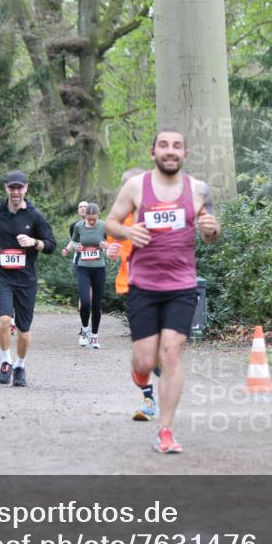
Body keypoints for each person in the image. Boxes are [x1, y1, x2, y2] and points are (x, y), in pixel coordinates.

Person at [105, 129, 221, 453]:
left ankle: (166, 431)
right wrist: (129, 232)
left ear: (186, 153)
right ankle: (140, 374)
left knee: (171, 353)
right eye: (164, 145)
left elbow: (212, 232)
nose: (170, 151)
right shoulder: (136, 186)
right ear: (152, 152)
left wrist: (211, 231)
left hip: (182, 286)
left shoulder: (199, 190)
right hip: (143, 286)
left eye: (177, 146)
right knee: (145, 361)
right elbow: (110, 222)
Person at [0, 170, 55, 386]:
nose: (15, 192)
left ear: (26, 188)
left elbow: (51, 244)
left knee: (23, 331)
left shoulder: (34, 216)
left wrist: (34, 242)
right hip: (0, 274)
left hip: (26, 279)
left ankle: (20, 366)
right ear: (6, 188)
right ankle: (6, 362)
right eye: (12, 188)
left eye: (19, 188)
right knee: (4, 319)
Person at [106, 167, 159, 419]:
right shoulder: (117, 221)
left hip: (162, 286)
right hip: (133, 287)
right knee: (142, 353)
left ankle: (159, 361)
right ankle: (149, 400)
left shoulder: (159, 214)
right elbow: (112, 249)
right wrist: (111, 252)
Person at [62, 203, 109, 349]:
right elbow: (73, 241)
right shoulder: (78, 226)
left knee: (96, 304)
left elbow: (110, 243)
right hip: (83, 268)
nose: (92, 221)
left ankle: (94, 336)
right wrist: (76, 247)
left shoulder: (104, 226)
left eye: (94, 219)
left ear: (98, 216)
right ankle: (84, 332)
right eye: (89, 219)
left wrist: (106, 246)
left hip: (99, 268)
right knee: (85, 302)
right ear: (85, 217)